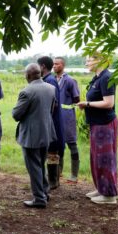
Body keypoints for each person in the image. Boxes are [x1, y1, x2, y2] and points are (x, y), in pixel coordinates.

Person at [12, 63, 57, 208]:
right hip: (46, 132)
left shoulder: (27, 91)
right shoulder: (51, 88)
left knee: (34, 167)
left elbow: (16, 115)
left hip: (31, 136)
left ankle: (39, 198)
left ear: (28, 75)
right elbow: (51, 109)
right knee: (40, 165)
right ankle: (44, 192)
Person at [77, 54, 118, 205]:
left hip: (105, 123)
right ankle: (101, 188)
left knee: (105, 159)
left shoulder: (107, 77)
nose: (86, 62)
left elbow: (109, 103)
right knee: (96, 158)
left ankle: (109, 195)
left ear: (101, 60)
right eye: (86, 59)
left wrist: (87, 104)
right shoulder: (98, 77)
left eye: (90, 59)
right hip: (96, 123)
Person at [37, 56, 65, 189]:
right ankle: (53, 180)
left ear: (42, 66)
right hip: (49, 121)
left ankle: (53, 181)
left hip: (52, 122)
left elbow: (54, 103)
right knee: (50, 150)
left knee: (52, 150)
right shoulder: (48, 80)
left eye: (38, 66)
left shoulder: (50, 81)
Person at [53, 56, 81, 183]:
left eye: (57, 64)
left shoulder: (70, 81)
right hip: (56, 117)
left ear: (63, 66)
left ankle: (74, 175)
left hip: (68, 116)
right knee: (58, 145)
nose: (54, 66)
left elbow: (76, 99)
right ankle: (58, 172)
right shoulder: (52, 80)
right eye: (53, 64)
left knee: (72, 144)